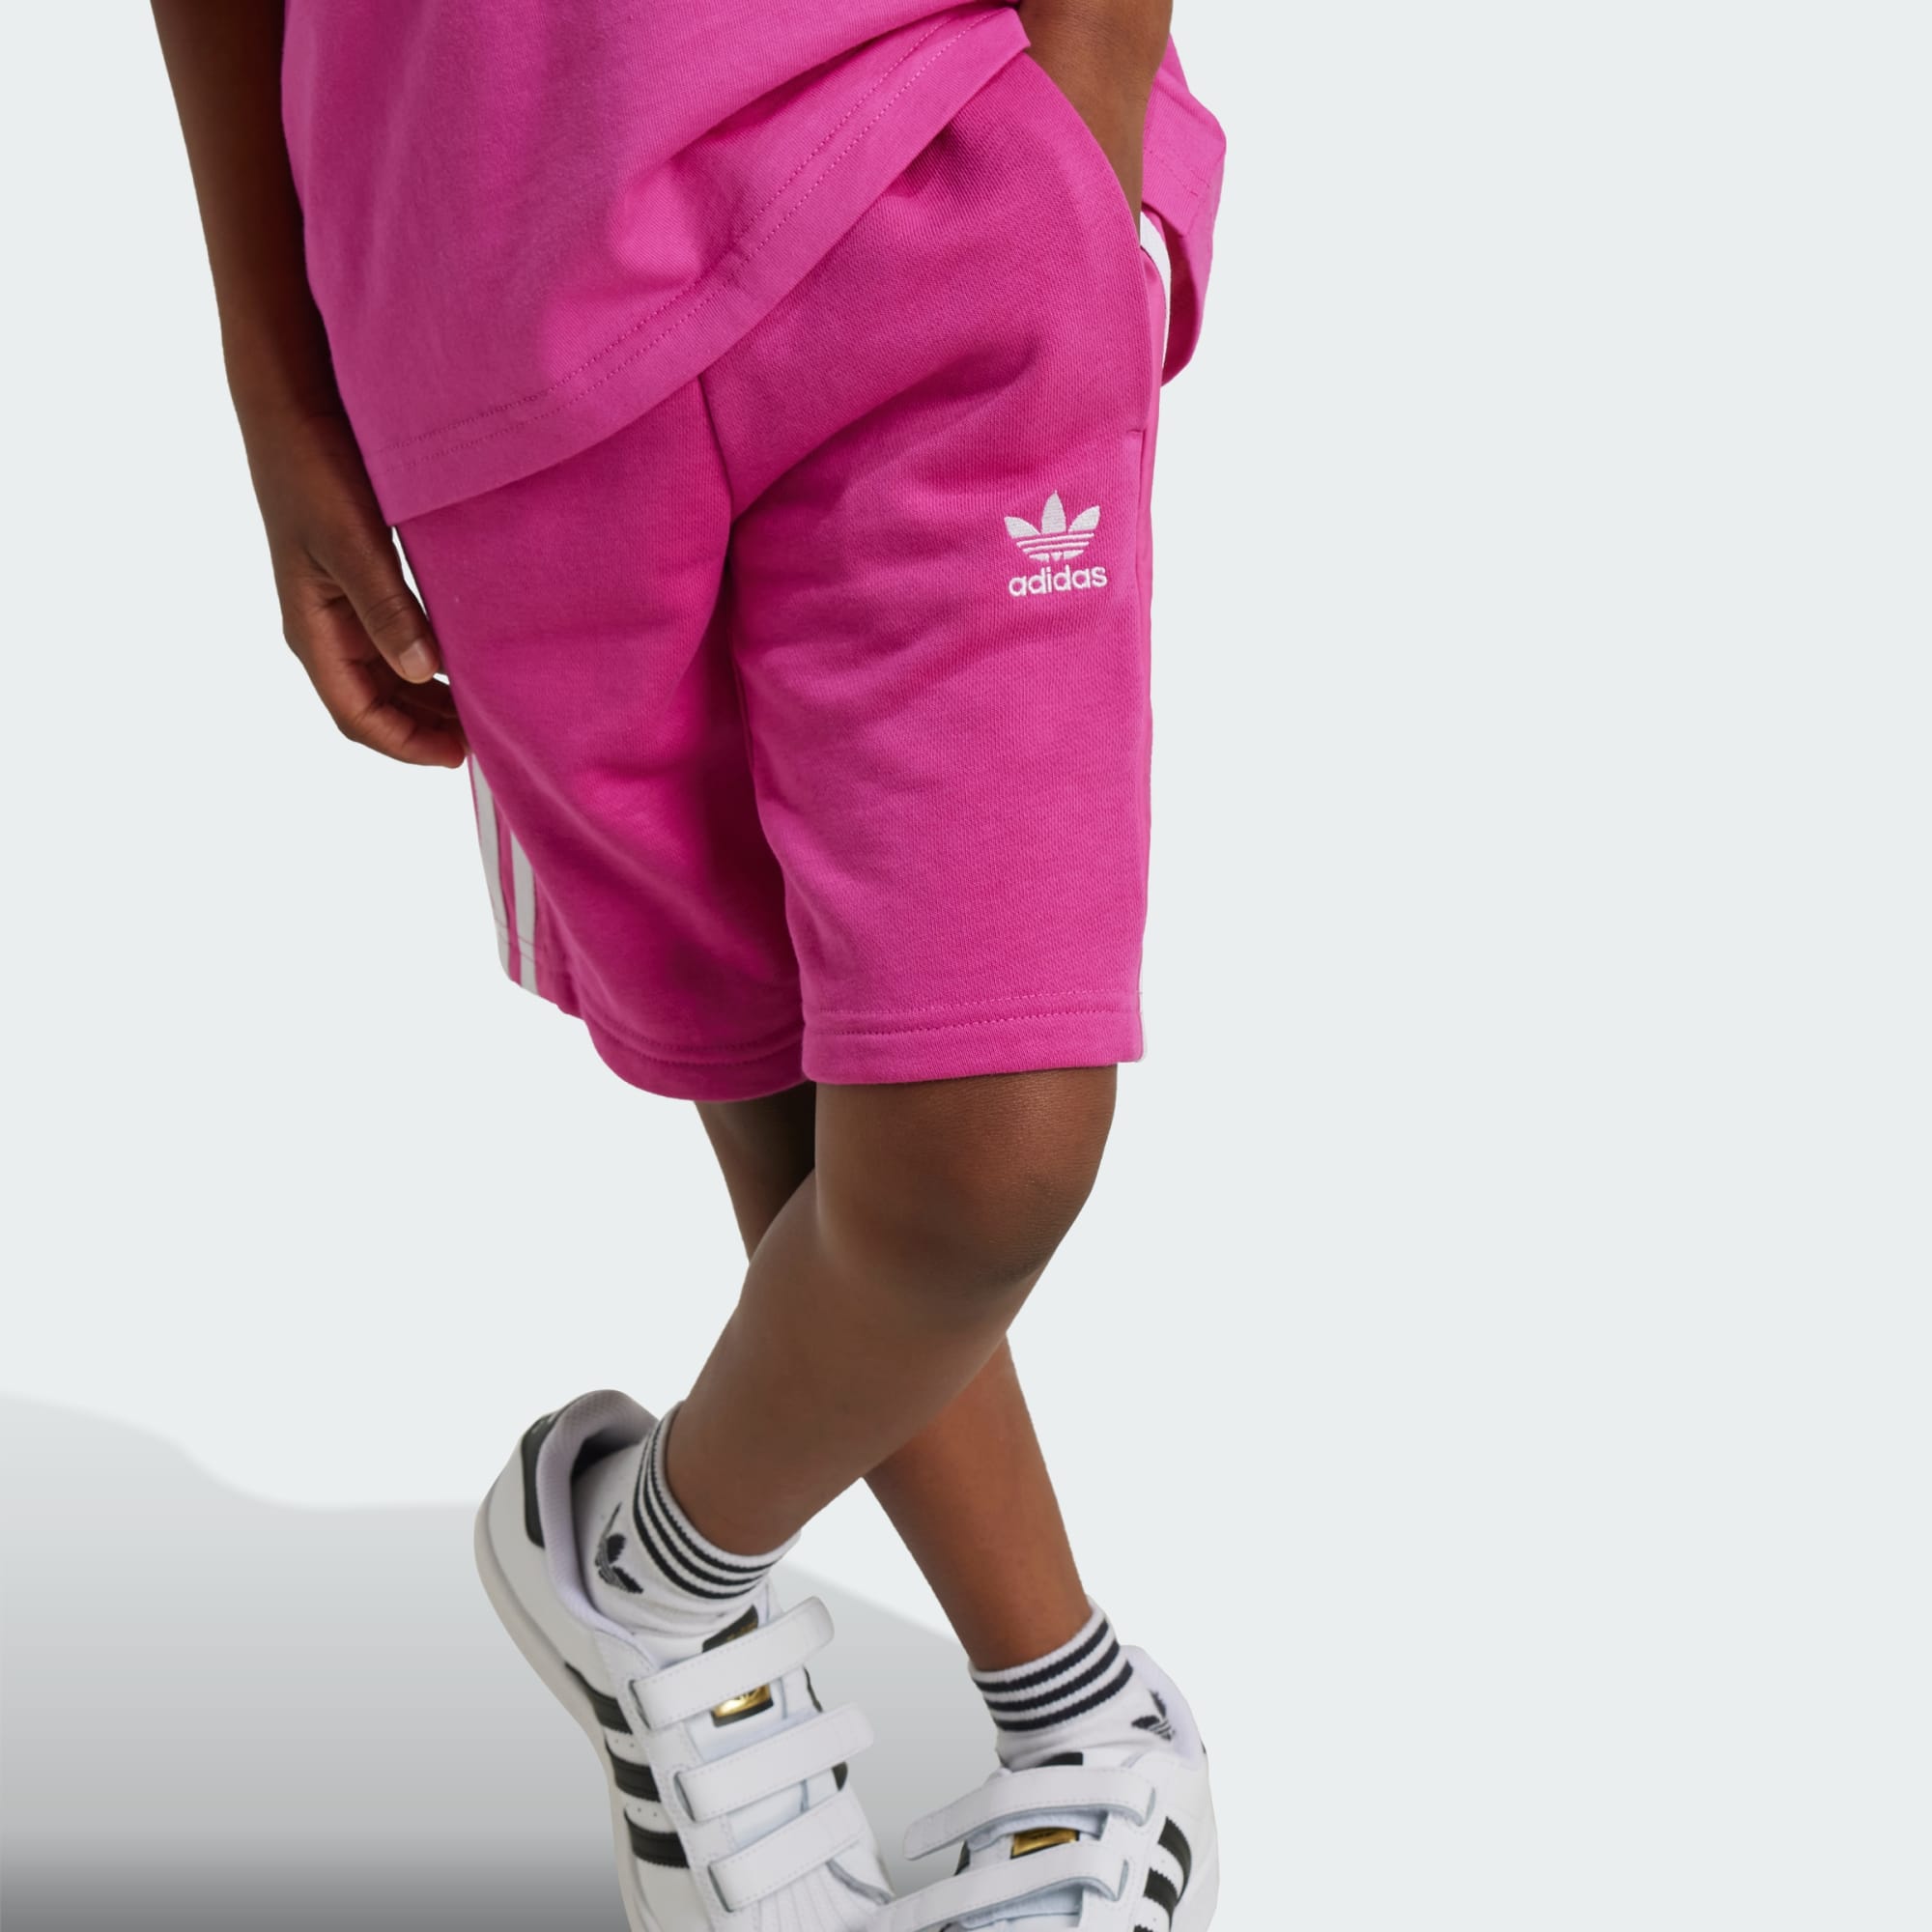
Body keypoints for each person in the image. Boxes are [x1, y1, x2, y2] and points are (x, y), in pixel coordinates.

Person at [152, 2, 1225, 1926]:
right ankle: (1078, 1718)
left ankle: (636, 1578)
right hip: (483, 303)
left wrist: (1081, 137)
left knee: (986, 1150)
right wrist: (272, 373)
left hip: (936, 167)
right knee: (783, 1061)